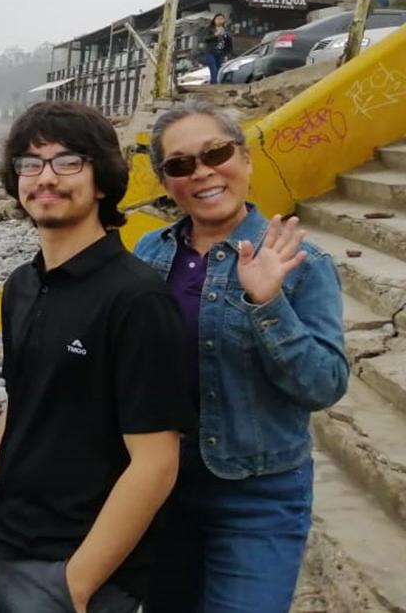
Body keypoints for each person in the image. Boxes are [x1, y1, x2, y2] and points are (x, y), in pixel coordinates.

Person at [0, 100, 194, 613]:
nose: (45, 177)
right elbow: (21, 396)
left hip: (77, 567)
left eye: (67, 161)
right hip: (5, 541)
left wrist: (77, 583)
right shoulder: (22, 285)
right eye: (30, 164)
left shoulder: (137, 299)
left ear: (102, 180)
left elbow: (157, 461)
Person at [135, 99, 348, 613]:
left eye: (216, 153)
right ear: (167, 183)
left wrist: (268, 303)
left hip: (260, 498)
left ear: (245, 158)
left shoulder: (302, 263)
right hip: (159, 489)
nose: (203, 172)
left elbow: (326, 385)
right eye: (181, 165)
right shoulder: (148, 254)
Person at [202, 13, 233, 84]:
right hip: (210, 52)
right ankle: (214, 86)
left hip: (220, 53)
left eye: (221, 19)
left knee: (219, 70)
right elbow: (205, 39)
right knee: (213, 69)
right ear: (214, 20)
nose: (219, 20)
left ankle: (215, 84)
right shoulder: (210, 29)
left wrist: (228, 53)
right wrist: (215, 35)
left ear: (224, 20)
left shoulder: (225, 30)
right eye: (218, 19)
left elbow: (229, 43)